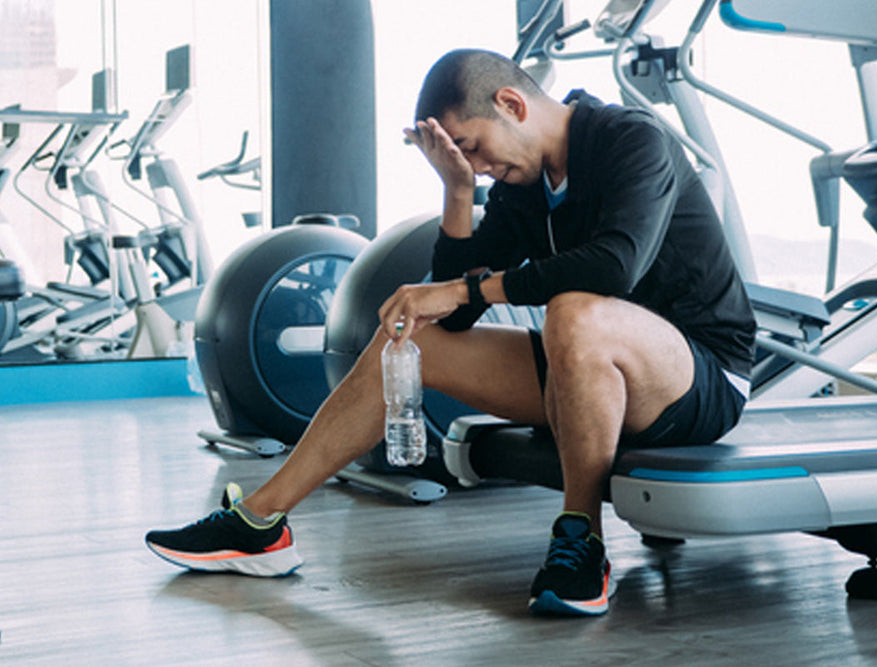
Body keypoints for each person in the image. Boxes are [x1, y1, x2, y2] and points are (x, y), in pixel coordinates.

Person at [145, 48, 756, 617]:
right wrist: (458, 193)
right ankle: (259, 524)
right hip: (590, 368)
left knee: (574, 310)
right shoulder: (525, 186)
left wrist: (464, 290)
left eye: (475, 150)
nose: (483, 167)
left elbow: (612, 265)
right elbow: (455, 314)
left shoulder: (630, 140)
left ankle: (581, 540)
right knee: (414, 344)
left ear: (512, 106)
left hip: (696, 378)